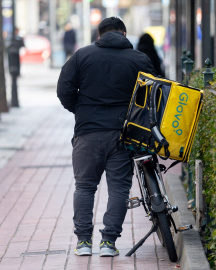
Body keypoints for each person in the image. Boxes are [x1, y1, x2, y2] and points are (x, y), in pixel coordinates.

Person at [57, 17, 155, 257]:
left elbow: (64, 90)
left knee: (84, 187)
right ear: (123, 33)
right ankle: (109, 243)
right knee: (119, 189)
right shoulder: (139, 59)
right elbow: (153, 95)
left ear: (99, 34)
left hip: (87, 133)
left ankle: (83, 242)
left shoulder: (82, 56)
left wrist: (81, 111)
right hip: (122, 134)